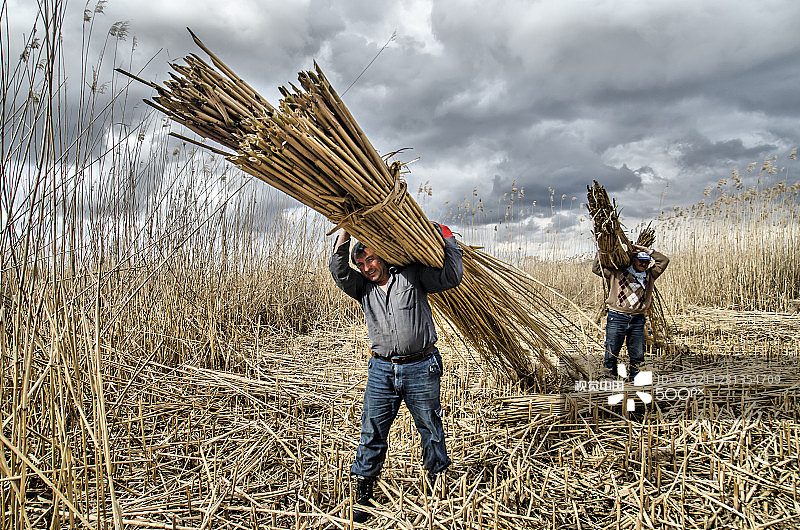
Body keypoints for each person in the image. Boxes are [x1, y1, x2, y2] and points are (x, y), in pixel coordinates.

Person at [329, 223, 463, 523]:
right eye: (361, 264)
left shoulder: (412, 275)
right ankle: (364, 490)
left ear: (385, 256)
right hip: (382, 370)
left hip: (421, 366)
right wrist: (344, 235)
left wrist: (447, 236)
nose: (367, 268)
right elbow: (338, 271)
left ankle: (437, 482)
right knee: (372, 430)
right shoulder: (362, 288)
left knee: (430, 428)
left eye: (371, 260)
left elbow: (451, 276)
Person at [592, 245, 669, 380]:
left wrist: (647, 251)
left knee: (637, 353)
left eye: (646, 262)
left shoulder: (649, 275)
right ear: (633, 260)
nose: (644, 264)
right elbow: (596, 268)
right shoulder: (617, 273)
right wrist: (604, 250)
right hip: (617, 317)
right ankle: (609, 377)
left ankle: (636, 378)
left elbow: (664, 261)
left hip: (637, 319)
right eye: (641, 261)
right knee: (612, 351)